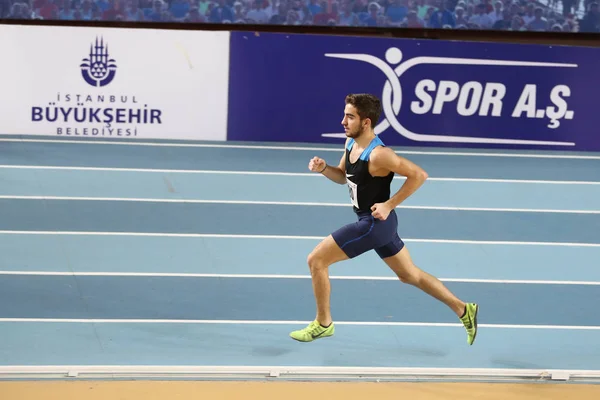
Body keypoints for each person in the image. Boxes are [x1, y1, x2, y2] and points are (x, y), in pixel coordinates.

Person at [289, 93, 479, 345]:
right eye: (344, 115)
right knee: (410, 275)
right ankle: (463, 309)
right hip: (382, 225)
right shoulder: (350, 145)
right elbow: (343, 177)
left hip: (374, 224)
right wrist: (324, 169)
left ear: (366, 122)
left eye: (350, 117)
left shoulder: (379, 155)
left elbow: (419, 175)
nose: (343, 122)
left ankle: (323, 323)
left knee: (316, 261)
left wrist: (389, 204)